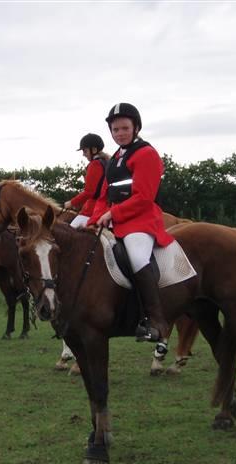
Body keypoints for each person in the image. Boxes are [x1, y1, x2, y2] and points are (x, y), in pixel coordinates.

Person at [88, 102, 173, 349]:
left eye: (124, 128)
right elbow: (103, 196)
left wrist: (113, 214)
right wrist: (94, 220)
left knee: (136, 256)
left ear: (135, 127)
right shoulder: (115, 158)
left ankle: (156, 321)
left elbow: (144, 196)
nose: (119, 133)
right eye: (115, 130)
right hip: (115, 220)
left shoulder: (146, 154)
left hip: (142, 220)